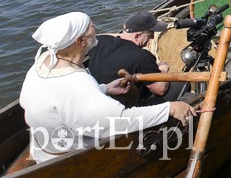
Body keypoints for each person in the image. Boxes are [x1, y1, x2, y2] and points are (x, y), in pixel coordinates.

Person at [20, 12, 195, 163]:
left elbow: (60, 98)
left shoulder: (43, 63)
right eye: (90, 29)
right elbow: (122, 120)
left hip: (44, 147)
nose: (95, 30)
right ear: (80, 41)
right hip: (72, 159)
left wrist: (104, 88)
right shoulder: (77, 84)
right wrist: (170, 109)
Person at [87, 11, 173, 106]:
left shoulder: (99, 42)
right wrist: (163, 70)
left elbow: (102, 36)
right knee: (178, 85)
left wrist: (122, 36)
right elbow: (160, 90)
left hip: (99, 102)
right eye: (150, 34)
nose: (152, 38)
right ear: (137, 36)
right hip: (127, 107)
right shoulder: (142, 57)